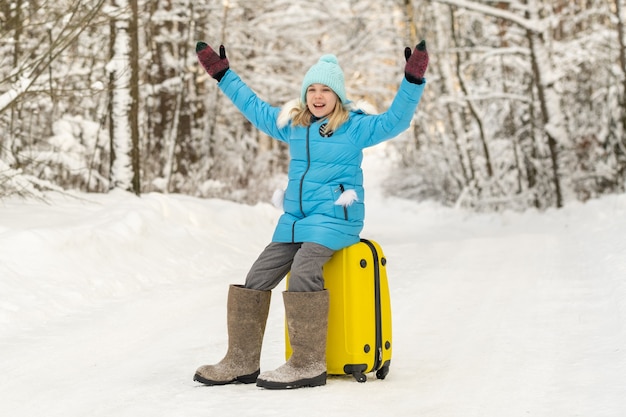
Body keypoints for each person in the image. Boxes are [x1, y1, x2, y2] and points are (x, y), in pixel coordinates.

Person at [193, 39, 429, 390]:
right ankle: (241, 361)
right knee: (258, 275)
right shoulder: (294, 125)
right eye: (312, 89)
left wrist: (411, 81)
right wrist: (224, 75)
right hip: (296, 221)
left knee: (304, 267)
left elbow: (396, 120)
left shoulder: (354, 127)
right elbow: (255, 108)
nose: (318, 96)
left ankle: (307, 363)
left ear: (338, 96)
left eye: (326, 90)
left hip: (337, 219)